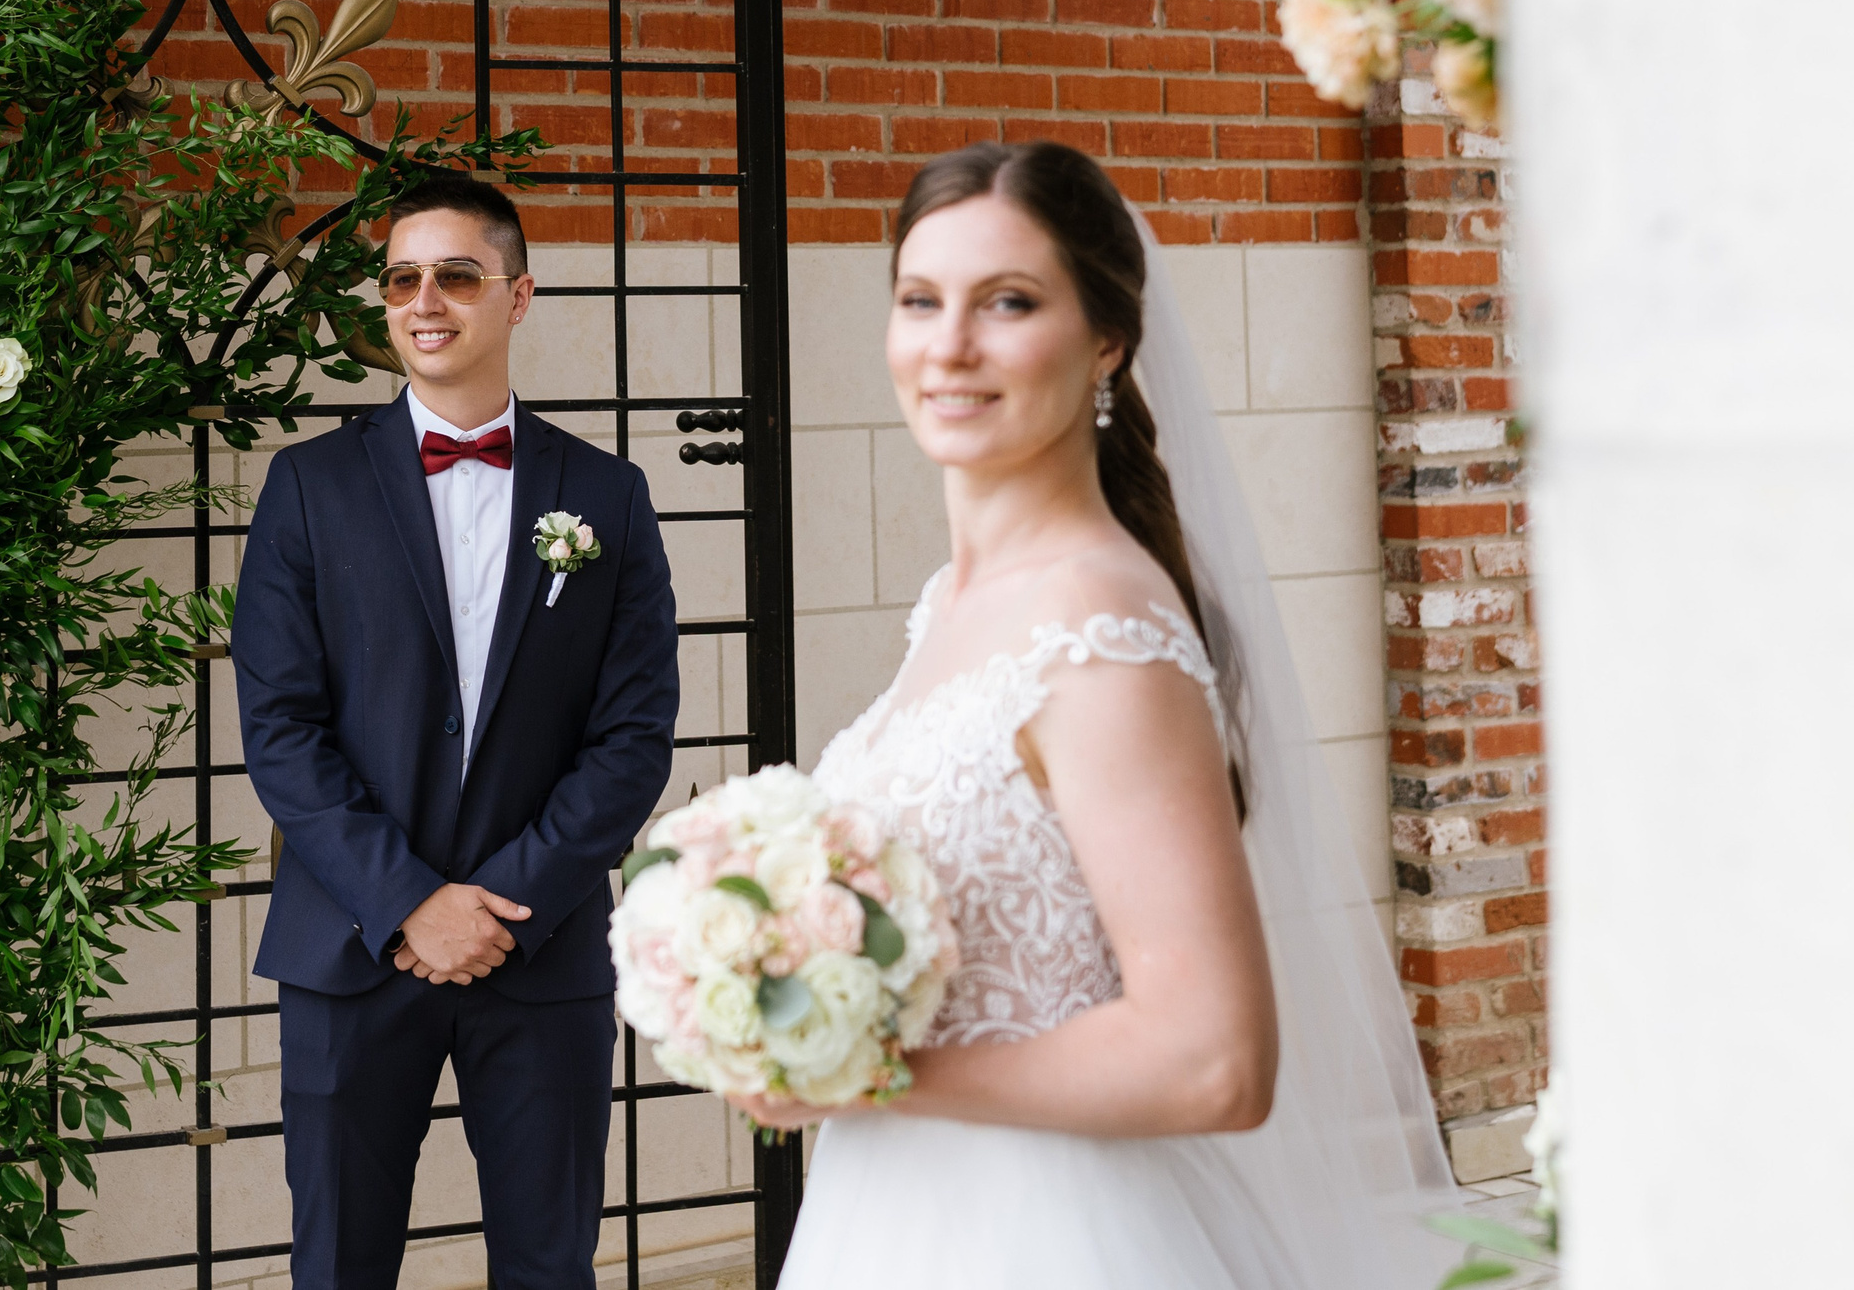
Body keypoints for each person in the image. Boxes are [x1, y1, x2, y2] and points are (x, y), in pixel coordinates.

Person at [739, 140, 1458, 1287]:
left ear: (1107, 340)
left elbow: (1212, 1059)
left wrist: (866, 1073)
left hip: (1052, 1235)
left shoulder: (1097, 626)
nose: (949, 346)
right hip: (893, 1216)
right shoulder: (950, 606)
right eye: (919, 301)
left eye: (1008, 302)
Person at [232, 176, 680, 1290]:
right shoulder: (306, 487)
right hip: (351, 943)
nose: (425, 299)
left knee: (549, 1267)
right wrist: (409, 903)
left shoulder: (608, 497)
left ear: (517, 296)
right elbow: (280, 728)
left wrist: (502, 907)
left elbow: (632, 735)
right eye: (401, 277)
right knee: (338, 1268)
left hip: (540, 947)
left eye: (457, 275)